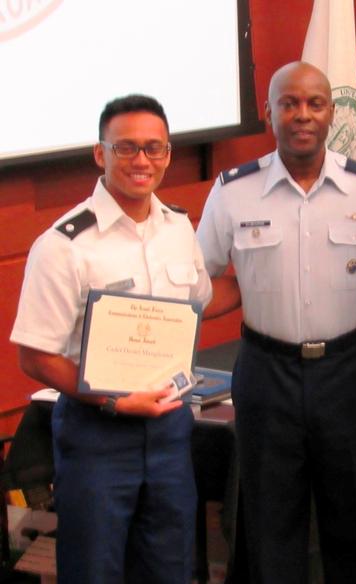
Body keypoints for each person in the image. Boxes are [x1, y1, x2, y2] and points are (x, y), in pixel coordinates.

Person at [196, 61, 356, 584]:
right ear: (268, 113)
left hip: (348, 372)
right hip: (267, 373)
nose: (302, 115)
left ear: (331, 112)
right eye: (289, 104)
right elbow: (206, 282)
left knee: (352, 521)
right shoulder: (231, 191)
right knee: (270, 525)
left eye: (315, 103)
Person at [11, 95, 219, 583]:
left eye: (154, 148)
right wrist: (112, 400)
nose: (142, 161)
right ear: (100, 154)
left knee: (170, 569)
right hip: (97, 434)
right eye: (126, 148)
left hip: (170, 432)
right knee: (95, 571)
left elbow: (196, 307)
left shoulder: (178, 229)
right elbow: (35, 356)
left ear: (168, 154)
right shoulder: (64, 246)